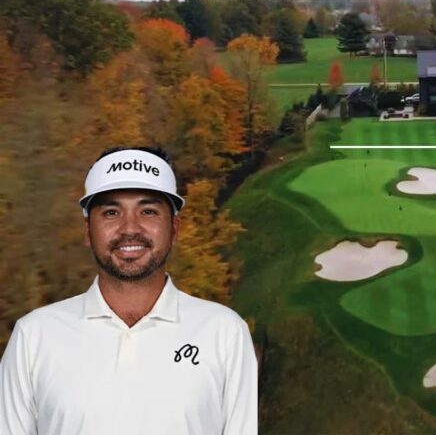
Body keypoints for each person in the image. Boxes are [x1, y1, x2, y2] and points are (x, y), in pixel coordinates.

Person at [0, 147, 258, 434]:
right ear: (87, 231)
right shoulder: (34, 336)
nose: (129, 229)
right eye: (111, 212)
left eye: (148, 211)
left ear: (174, 228)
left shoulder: (224, 333)